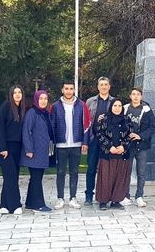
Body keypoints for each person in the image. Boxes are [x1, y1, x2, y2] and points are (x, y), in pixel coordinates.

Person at [51, 81, 91, 209]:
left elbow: (86, 124)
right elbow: (51, 125)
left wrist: (85, 142)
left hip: (76, 144)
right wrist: (52, 142)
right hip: (61, 145)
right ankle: (60, 198)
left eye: (71, 89)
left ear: (74, 90)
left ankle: (73, 198)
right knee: (61, 172)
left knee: (74, 172)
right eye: (66, 89)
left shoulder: (81, 105)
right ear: (62, 90)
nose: (69, 91)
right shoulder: (55, 106)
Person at [121, 88, 155, 207]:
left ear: (141, 96)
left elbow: (153, 127)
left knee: (141, 173)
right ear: (130, 96)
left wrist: (140, 136)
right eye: (134, 94)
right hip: (128, 146)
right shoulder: (124, 108)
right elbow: (119, 125)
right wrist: (127, 135)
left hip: (142, 146)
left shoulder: (147, 110)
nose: (136, 96)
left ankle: (139, 196)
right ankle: (125, 196)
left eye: (138, 94)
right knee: (126, 172)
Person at [96, 99, 132, 210]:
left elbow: (130, 135)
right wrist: (109, 147)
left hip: (121, 154)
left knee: (119, 177)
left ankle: (116, 201)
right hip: (107, 154)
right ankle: (103, 201)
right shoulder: (104, 119)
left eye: (119, 105)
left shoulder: (127, 120)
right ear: (111, 107)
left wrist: (123, 147)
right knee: (106, 178)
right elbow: (99, 134)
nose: (117, 108)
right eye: (115, 105)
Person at [20, 91, 53, 212]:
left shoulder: (44, 113)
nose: (43, 101)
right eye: (41, 99)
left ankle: (30, 202)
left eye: (45, 98)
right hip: (33, 152)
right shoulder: (32, 113)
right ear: (36, 100)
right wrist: (28, 149)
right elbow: (26, 131)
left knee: (36, 177)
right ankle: (38, 204)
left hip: (42, 151)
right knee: (36, 177)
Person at [84, 77, 114, 206]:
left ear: (109, 86)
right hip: (93, 139)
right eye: (101, 85)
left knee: (108, 169)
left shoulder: (114, 102)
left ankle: (106, 195)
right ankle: (89, 195)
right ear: (98, 87)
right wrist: (85, 141)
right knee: (91, 168)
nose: (103, 87)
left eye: (106, 84)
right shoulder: (90, 101)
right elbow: (85, 123)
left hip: (108, 141)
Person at [0, 85, 26, 215]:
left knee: (12, 176)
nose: (17, 95)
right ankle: (15, 205)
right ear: (11, 94)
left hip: (17, 147)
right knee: (10, 175)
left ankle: (4, 204)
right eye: (15, 93)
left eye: (19, 92)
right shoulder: (6, 107)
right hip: (5, 147)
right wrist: (3, 148)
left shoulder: (23, 109)